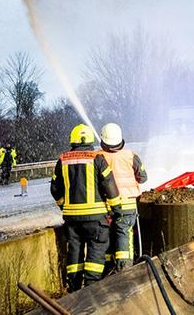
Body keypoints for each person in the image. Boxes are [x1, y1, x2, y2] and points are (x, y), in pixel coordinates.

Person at [51, 124, 122, 291]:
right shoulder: (97, 158)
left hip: (72, 220)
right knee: (96, 249)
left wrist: (64, 206)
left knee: (74, 250)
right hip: (95, 218)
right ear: (90, 139)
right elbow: (109, 184)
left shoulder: (63, 160)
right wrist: (116, 208)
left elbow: (55, 188)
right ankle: (91, 287)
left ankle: (74, 287)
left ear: (73, 140)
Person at [99, 123, 147, 272]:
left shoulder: (98, 157)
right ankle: (125, 269)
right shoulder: (131, 156)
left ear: (102, 140)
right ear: (121, 140)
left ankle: (106, 269)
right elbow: (143, 177)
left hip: (105, 206)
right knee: (123, 234)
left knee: (105, 235)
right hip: (127, 205)